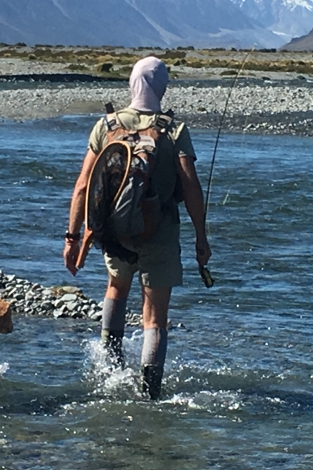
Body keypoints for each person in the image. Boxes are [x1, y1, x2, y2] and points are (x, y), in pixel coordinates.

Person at [63, 56, 212, 400]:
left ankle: (109, 371)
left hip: (114, 231)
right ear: (161, 87)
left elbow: (83, 186)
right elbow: (191, 187)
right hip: (159, 232)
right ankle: (150, 394)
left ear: (132, 84)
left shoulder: (107, 125)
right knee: (155, 316)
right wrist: (201, 238)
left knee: (116, 288)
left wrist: (72, 237)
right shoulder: (173, 131)